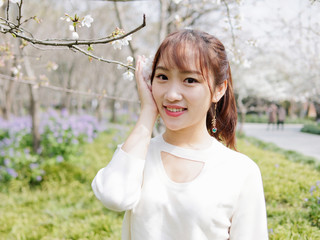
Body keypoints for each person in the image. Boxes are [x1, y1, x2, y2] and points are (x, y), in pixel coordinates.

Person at [92, 29, 268, 240]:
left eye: (190, 80)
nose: (172, 94)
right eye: (163, 77)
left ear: (219, 90)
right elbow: (114, 197)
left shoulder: (240, 171)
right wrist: (148, 112)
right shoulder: (138, 155)